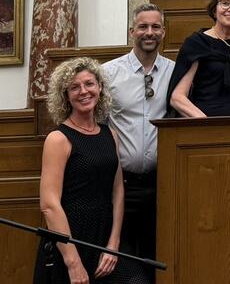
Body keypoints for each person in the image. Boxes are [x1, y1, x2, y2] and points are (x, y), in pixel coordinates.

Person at [33, 57, 147, 283]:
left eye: (89, 84)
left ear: (100, 87)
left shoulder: (110, 134)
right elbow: (49, 205)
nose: (83, 91)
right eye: (74, 87)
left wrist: (113, 244)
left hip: (106, 236)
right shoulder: (58, 139)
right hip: (69, 240)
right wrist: (73, 262)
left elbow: (117, 192)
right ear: (65, 96)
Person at [102, 3, 174, 282]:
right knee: (125, 263)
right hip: (121, 185)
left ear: (164, 32)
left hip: (161, 184)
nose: (149, 32)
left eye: (156, 27)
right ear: (132, 31)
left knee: (160, 258)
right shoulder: (108, 74)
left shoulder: (174, 72)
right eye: (143, 27)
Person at [167, 0, 230, 117]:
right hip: (206, 128)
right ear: (215, 10)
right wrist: (206, 124)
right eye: (225, 3)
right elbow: (177, 98)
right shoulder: (196, 43)